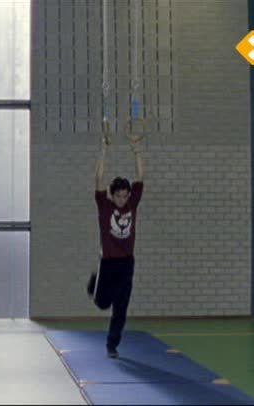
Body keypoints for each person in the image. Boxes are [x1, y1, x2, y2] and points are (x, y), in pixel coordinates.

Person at [86, 133, 144, 359]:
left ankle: (112, 344)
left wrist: (136, 150)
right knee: (102, 304)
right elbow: (98, 179)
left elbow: (141, 175)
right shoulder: (105, 206)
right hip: (108, 263)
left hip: (127, 263)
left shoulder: (132, 204)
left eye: (125, 196)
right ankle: (94, 283)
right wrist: (104, 150)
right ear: (112, 195)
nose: (122, 200)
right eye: (118, 196)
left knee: (121, 307)